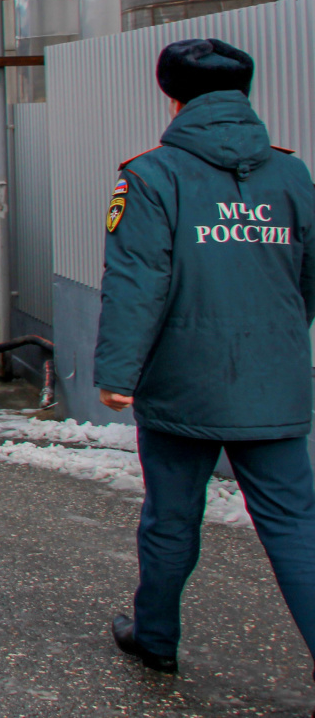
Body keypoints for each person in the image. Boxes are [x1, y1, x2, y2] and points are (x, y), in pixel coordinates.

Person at [97, 37, 315, 677]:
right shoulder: (291, 174)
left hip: (181, 382)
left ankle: (156, 639)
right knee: (295, 528)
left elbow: (139, 282)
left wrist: (117, 373)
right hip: (273, 383)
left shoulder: (152, 175)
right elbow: (307, 276)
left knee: (171, 519)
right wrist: (275, 337)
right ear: (244, 92)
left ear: (171, 96)